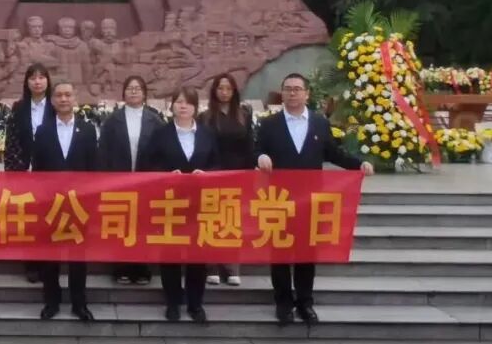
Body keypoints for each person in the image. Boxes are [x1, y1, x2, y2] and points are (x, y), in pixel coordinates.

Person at [257, 72, 374, 326]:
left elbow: (333, 152)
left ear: (307, 94)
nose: (292, 93)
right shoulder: (269, 124)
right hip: (278, 200)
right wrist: (260, 157)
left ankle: (305, 302)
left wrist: (358, 164)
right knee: (279, 255)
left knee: (306, 254)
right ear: (282, 93)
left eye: (297, 89)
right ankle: (283, 303)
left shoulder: (319, 123)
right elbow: (256, 150)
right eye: (288, 88)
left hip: (310, 201)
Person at [141, 86, 220, 324]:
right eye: (179, 102)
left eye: (188, 102)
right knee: (171, 254)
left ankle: (195, 304)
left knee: (198, 255)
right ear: (172, 105)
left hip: (200, 203)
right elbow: (147, 164)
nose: (183, 106)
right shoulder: (161, 134)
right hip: (170, 203)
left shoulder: (207, 134)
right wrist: (166, 174)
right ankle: (173, 302)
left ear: (196, 107)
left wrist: (206, 174)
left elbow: (218, 164)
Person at [31, 82, 98, 321]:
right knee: (50, 256)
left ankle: (79, 303)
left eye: (68, 95)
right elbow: (37, 169)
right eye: (58, 95)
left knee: (78, 257)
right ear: (52, 101)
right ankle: (52, 301)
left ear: (74, 98)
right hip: (52, 203)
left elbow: (94, 168)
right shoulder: (43, 131)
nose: (63, 99)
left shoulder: (87, 130)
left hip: (79, 204)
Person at [98, 75, 164, 285]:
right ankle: (121, 268)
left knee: (143, 225)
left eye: (137, 88)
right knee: (121, 224)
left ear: (144, 93)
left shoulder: (155, 120)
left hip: (146, 182)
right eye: (130, 88)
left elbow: (162, 152)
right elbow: (104, 152)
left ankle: (142, 268)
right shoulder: (112, 120)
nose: (133, 92)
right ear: (123, 93)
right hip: (119, 181)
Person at [201, 73, 256, 287]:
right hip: (211, 173)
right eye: (220, 88)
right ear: (214, 91)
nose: (224, 92)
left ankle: (232, 267)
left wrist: (250, 172)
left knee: (233, 221)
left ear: (234, 92)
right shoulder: (205, 117)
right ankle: (212, 266)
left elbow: (249, 146)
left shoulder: (243, 116)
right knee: (211, 220)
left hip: (237, 174)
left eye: (228, 89)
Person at [3, 63, 54, 283]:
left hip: (50, 174)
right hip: (25, 172)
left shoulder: (55, 106)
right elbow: (12, 141)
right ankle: (31, 264)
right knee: (29, 220)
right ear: (27, 82)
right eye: (33, 78)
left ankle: (49, 264)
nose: (37, 81)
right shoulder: (19, 108)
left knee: (50, 219)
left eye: (42, 77)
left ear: (48, 81)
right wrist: (16, 171)